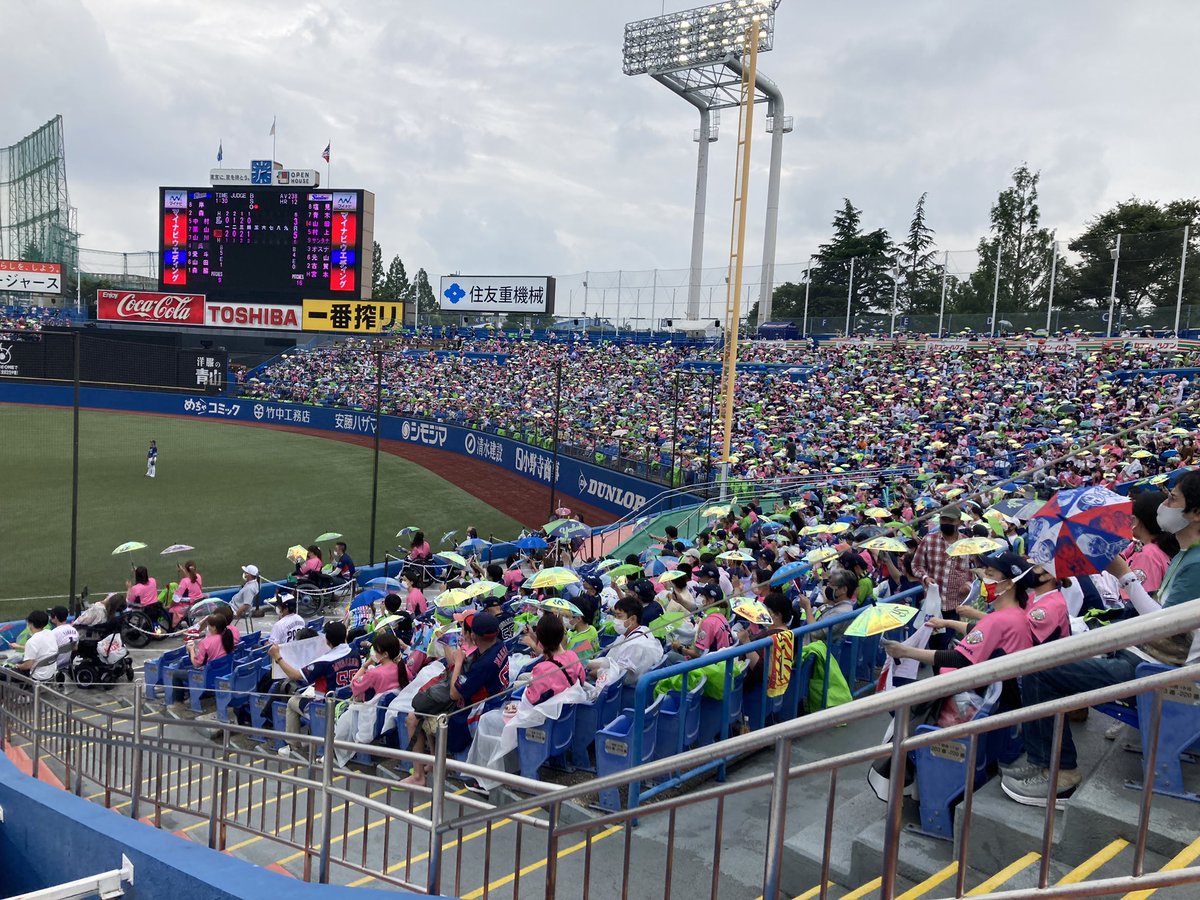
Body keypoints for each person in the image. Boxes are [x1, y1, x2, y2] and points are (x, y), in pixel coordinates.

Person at [1004, 471, 1200, 807]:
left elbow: (1165, 625)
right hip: (1146, 658)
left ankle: (1059, 772)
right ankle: (1043, 761)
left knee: (1038, 668)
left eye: (1173, 499)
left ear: (1196, 512)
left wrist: (1124, 575)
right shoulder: (1185, 555)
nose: (1164, 506)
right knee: (1049, 656)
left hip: (1157, 672)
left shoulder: (1196, 563)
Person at [884, 551, 1034, 713]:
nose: (985, 580)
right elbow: (982, 631)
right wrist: (946, 622)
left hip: (986, 701)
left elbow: (960, 658)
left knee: (899, 702)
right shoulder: (1016, 614)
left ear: (1010, 584)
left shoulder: (997, 619)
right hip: (1006, 697)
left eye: (990, 575)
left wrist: (905, 651)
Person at [269, 622, 362, 758]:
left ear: (327, 640)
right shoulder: (355, 652)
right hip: (348, 702)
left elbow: (294, 675)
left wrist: (277, 657)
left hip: (327, 708)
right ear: (345, 635)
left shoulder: (325, 661)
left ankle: (293, 746)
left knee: (292, 702)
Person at [331, 631, 405, 767]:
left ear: (385, 654)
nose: (374, 653)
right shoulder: (402, 667)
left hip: (373, 715)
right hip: (390, 711)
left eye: (376, 651)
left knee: (340, 710)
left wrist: (365, 666)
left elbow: (354, 686)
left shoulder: (374, 673)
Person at [911, 507, 974, 643]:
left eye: (950, 520)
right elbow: (916, 565)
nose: (946, 523)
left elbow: (974, 571)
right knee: (935, 644)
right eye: (943, 519)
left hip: (955, 604)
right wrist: (925, 578)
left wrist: (968, 585)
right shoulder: (929, 540)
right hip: (933, 604)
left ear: (959, 522)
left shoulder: (967, 544)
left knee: (946, 642)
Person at [586, 598, 663, 685]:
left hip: (628, 689)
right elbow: (611, 661)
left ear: (633, 619)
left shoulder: (634, 645)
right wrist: (588, 663)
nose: (615, 620)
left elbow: (620, 677)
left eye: (619, 616)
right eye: (615, 616)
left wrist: (598, 672)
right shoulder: (643, 631)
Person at [5, 611, 58, 683]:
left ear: (31, 624)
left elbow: (28, 665)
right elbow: (40, 649)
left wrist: (18, 666)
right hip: (50, 672)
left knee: (5, 670)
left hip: (37, 676)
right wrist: (19, 647)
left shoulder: (32, 641)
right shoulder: (50, 633)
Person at [126, 566, 169, 633]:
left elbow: (129, 600)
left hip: (146, 610)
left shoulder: (135, 588)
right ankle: (157, 630)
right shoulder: (153, 580)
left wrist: (129, 588)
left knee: (128, 605)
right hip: (156, 607)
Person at [48, 606, 78, 672]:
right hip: (66, 663)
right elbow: (75, 648)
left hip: (53, 665)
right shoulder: (74, 630)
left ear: (55, 617)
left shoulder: (53, 633)